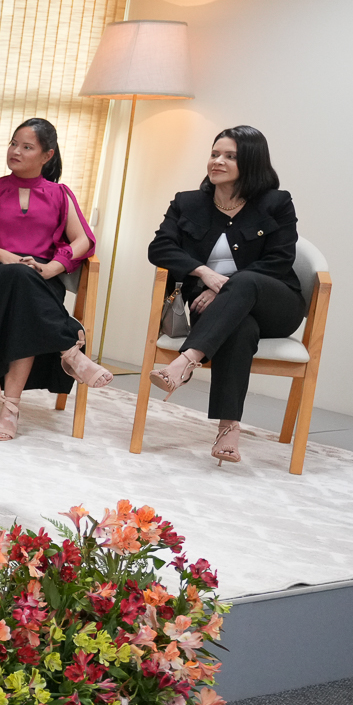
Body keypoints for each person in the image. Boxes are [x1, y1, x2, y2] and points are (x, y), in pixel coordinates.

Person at [146, 126, 304, 466]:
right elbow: (159, 248)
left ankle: (185, 362)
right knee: (240, 328)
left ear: (251, 162)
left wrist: (226, 287)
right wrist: (205, 274)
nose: (218, 161)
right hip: (213, 308)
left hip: (275, 304)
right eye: (215, 153)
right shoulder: (188, 202)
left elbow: (278, 262)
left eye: (229, 156)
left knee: (245, 283)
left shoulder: (277, 203)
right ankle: (228, 429)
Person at [0, 118, 112, 440]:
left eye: (27, 147)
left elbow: (84, 240)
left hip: (37, 281)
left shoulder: (59, 193)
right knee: (17, 279)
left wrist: (55, 265)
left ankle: (9, 410)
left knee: (24, 301)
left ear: (47, 155)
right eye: (13, 144)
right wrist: (6, 257)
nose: (16, 152)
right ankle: (69, 350)